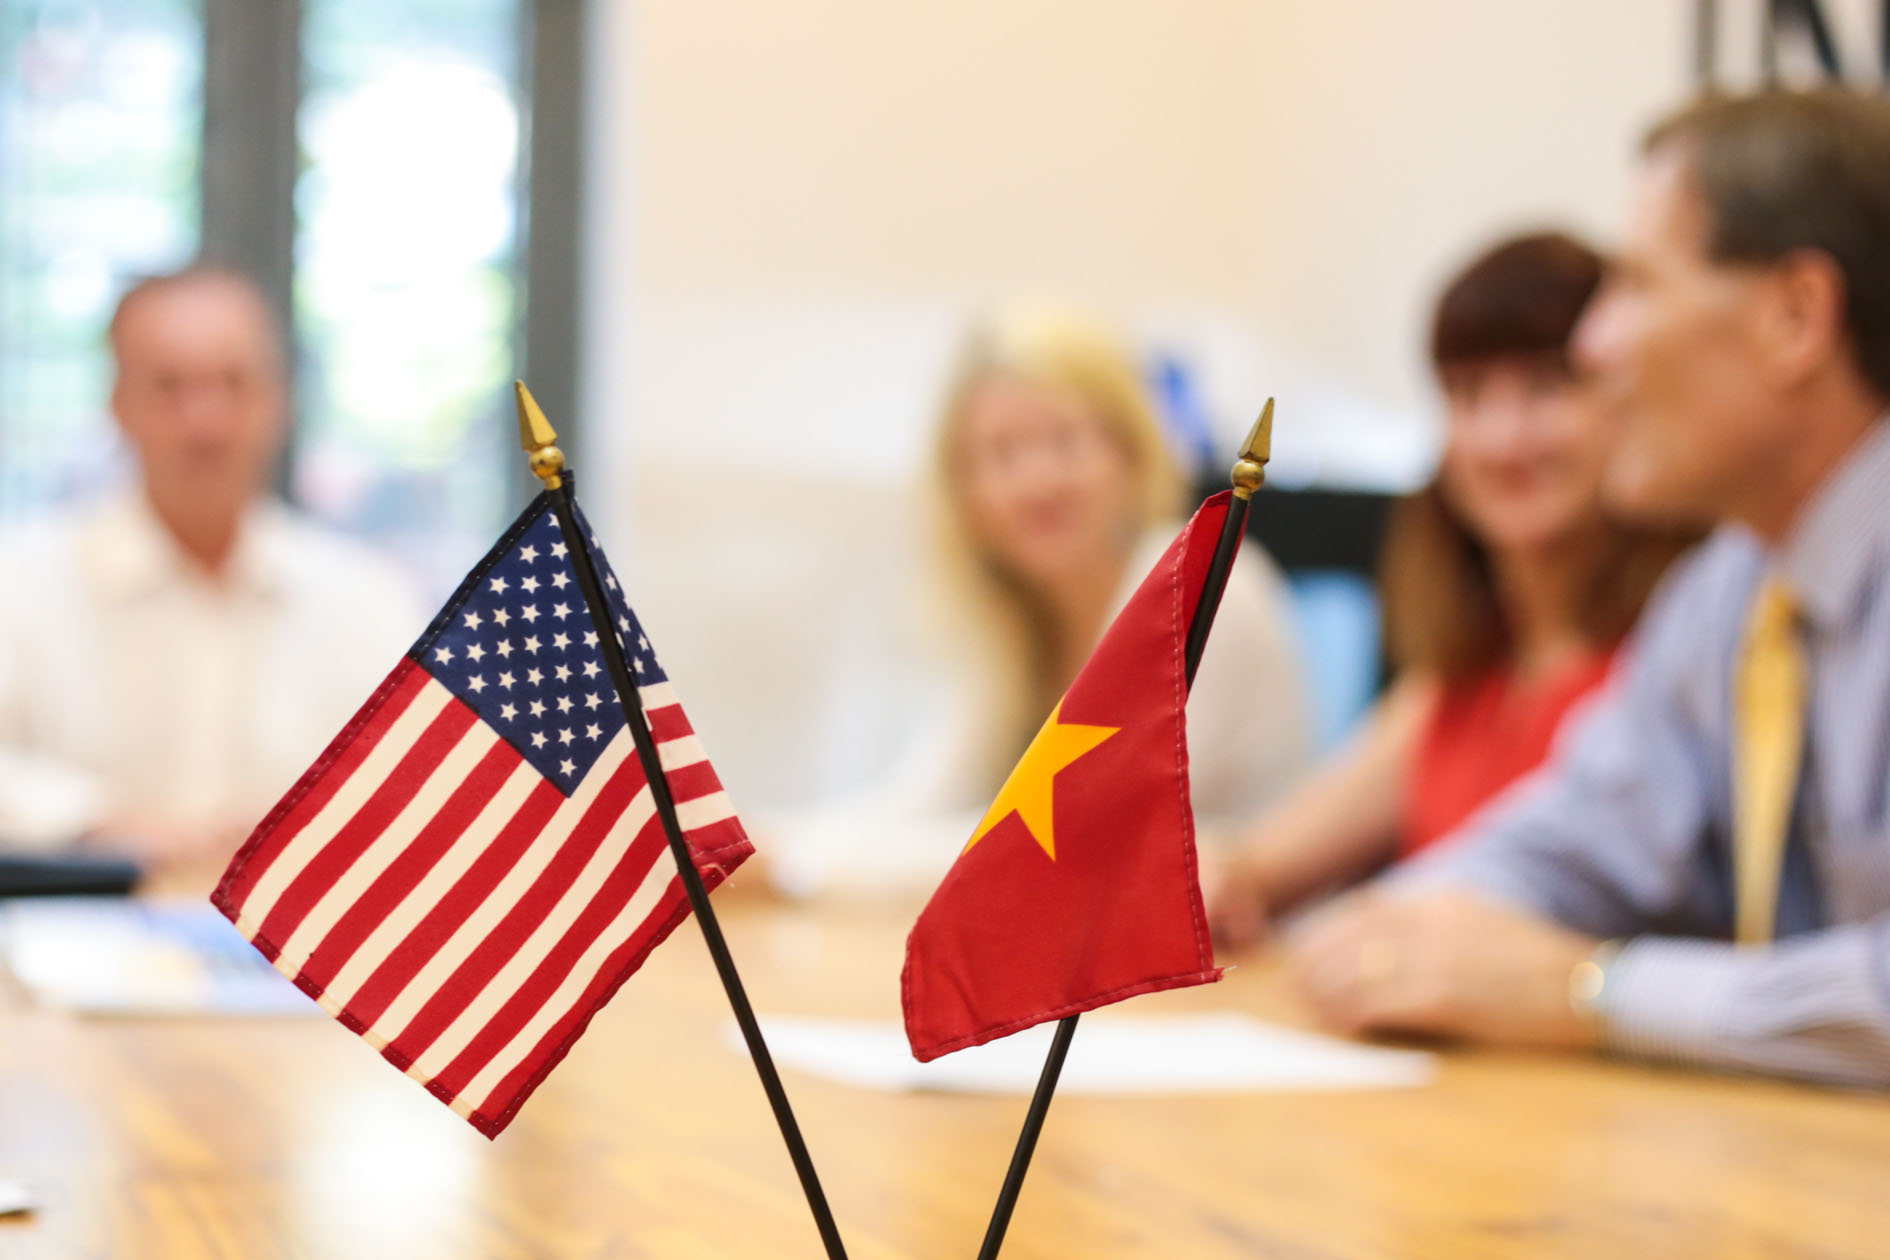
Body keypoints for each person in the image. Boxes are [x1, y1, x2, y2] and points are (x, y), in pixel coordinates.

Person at [1289, 88, 1890, 1088]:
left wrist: (1592, 991)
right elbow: (1583, 833)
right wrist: (1404, 935)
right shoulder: (1733, 591)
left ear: (1796, 317)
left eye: (1635, 290)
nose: (1594, 347)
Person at [1205, 233, 1696, 947]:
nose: (1502, 437)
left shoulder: (1678, 658)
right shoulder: (1463, 675)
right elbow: (1259, 867)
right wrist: (1222, 874)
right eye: (1468, 395)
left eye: (1546, 386)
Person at [767, 305, 1312, 897]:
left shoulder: (1200, 586)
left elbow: (1068, 847)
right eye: (1001, 454)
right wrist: (752, 844)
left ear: (1130, 457)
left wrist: (797, 866)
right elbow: (922, 805)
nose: (1037, 482)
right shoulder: (1018, 625)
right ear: (964, 493)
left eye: (1065, 442)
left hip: (1251, 968)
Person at [0, 265, 421, 867]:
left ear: (277, 401)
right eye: (170, 386)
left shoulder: (366, 599)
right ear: (118, 404)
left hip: (287, 950)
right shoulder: (18, 586)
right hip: (69, 944)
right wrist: (95, 822)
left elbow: (408, 786)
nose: (206, 423)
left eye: (233, 383)